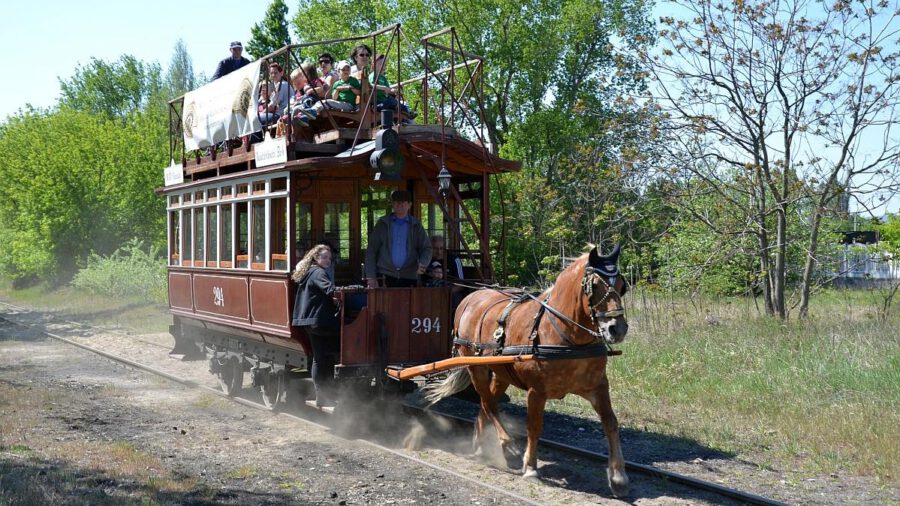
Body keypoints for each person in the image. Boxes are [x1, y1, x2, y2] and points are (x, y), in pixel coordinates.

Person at [291, 244, 340, 407]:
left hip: (310, 320)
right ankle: (326, 393)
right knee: (327, 357)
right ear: (315, 258)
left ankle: (322, 395)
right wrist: (343, 292)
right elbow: (329, 289)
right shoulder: (318, 272)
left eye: (329, 258)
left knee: (320, 358)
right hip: (319, 320)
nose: (327, 261)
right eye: (324, 257)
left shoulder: (309, 271)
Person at [365, 190, 432, 288]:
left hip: (409, 277)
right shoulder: (382, 224)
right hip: (385, 276)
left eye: (403, 202)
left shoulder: (416, 225)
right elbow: (371, 251)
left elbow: (427, 248)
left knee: (408, 304)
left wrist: (423, 263)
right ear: (392, 204)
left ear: (409, 205)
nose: (399, 204)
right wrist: (371, 277)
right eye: (396, 201)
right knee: (384, 304)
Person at [370, 54, 415, 122]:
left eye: (385, 65)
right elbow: (370, 85)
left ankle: (406, 117)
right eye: (381, 64)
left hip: (384, 100)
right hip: (377, 102)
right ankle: (405, 115)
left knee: (398, 105)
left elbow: (388, 90)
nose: (383, 66)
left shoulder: (383, 78)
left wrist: (393, 90)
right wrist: (383, 88)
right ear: (374, 64)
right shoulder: (373, 75)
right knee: (391, 103)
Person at [259, 62, 291, 129]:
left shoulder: (282, 84)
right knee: (258, 119)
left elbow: (272, 105)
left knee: (257, 119)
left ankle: (257, 139)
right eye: (271, 73)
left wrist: (262, 113)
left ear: (281, 73)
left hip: (281, 115)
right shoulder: (277, 85)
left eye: (275, 73)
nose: (273, 75)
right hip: (278, 114)